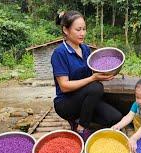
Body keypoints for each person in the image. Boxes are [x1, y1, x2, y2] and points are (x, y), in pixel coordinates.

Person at [51, 10, 123, 141]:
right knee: (96, 87)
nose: (82, 33)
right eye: (78, 29)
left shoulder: (85, 49)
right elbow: (64, 86)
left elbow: (91, 73)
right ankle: (81, 127)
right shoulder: (60, 53)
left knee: (115, 118)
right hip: (66, 103)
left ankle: (80, 118)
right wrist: (93, 78)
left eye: (84, 29)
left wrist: (105, 73)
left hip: (85, 99)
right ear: (66, 30)